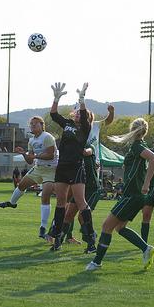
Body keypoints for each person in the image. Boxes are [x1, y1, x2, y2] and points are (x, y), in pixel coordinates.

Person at [85, 117, 154, 271]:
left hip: (133, 195)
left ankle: (96, 262)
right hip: (133, 195)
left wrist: (146, 183)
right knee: (120, 228)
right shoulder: (138, 145)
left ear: (133, 130)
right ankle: (146, 248)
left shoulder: (138, 146)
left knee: (107, 226)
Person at [46, 82, 95, 252]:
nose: (79, 116)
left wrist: (82, 100)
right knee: (61, 203)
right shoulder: (67, 124)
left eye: (82, 114)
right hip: (62, 167)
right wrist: (56, 99)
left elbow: (83, 112)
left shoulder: (85, 129)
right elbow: (53, 115)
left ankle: (91, 240)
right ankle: (58, 238)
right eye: (78, 114)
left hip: (76, 167)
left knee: (81, 202)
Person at [61, 103, 115, 252]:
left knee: (81, 216)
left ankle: (91, 241)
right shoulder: (76, 129)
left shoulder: (95, 126)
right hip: (78, 170)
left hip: (91, 173)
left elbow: (108, 121)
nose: (82, 117)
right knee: (68, 211)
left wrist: (111, 112)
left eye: (85, 115)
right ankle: (61, 238)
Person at [0, 116, 58, 240]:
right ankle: (12, 203)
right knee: (21, 185)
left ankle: (42, 227)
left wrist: (34, 156)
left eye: (35, 124)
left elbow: (50, 156)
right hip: (38, 169)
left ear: (42, 125)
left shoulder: (47, 137)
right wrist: (24, 154)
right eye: (31, 124)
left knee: (45, 196)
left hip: (51, 170)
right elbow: (30, 161)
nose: (32, 126)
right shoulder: (31, 141)